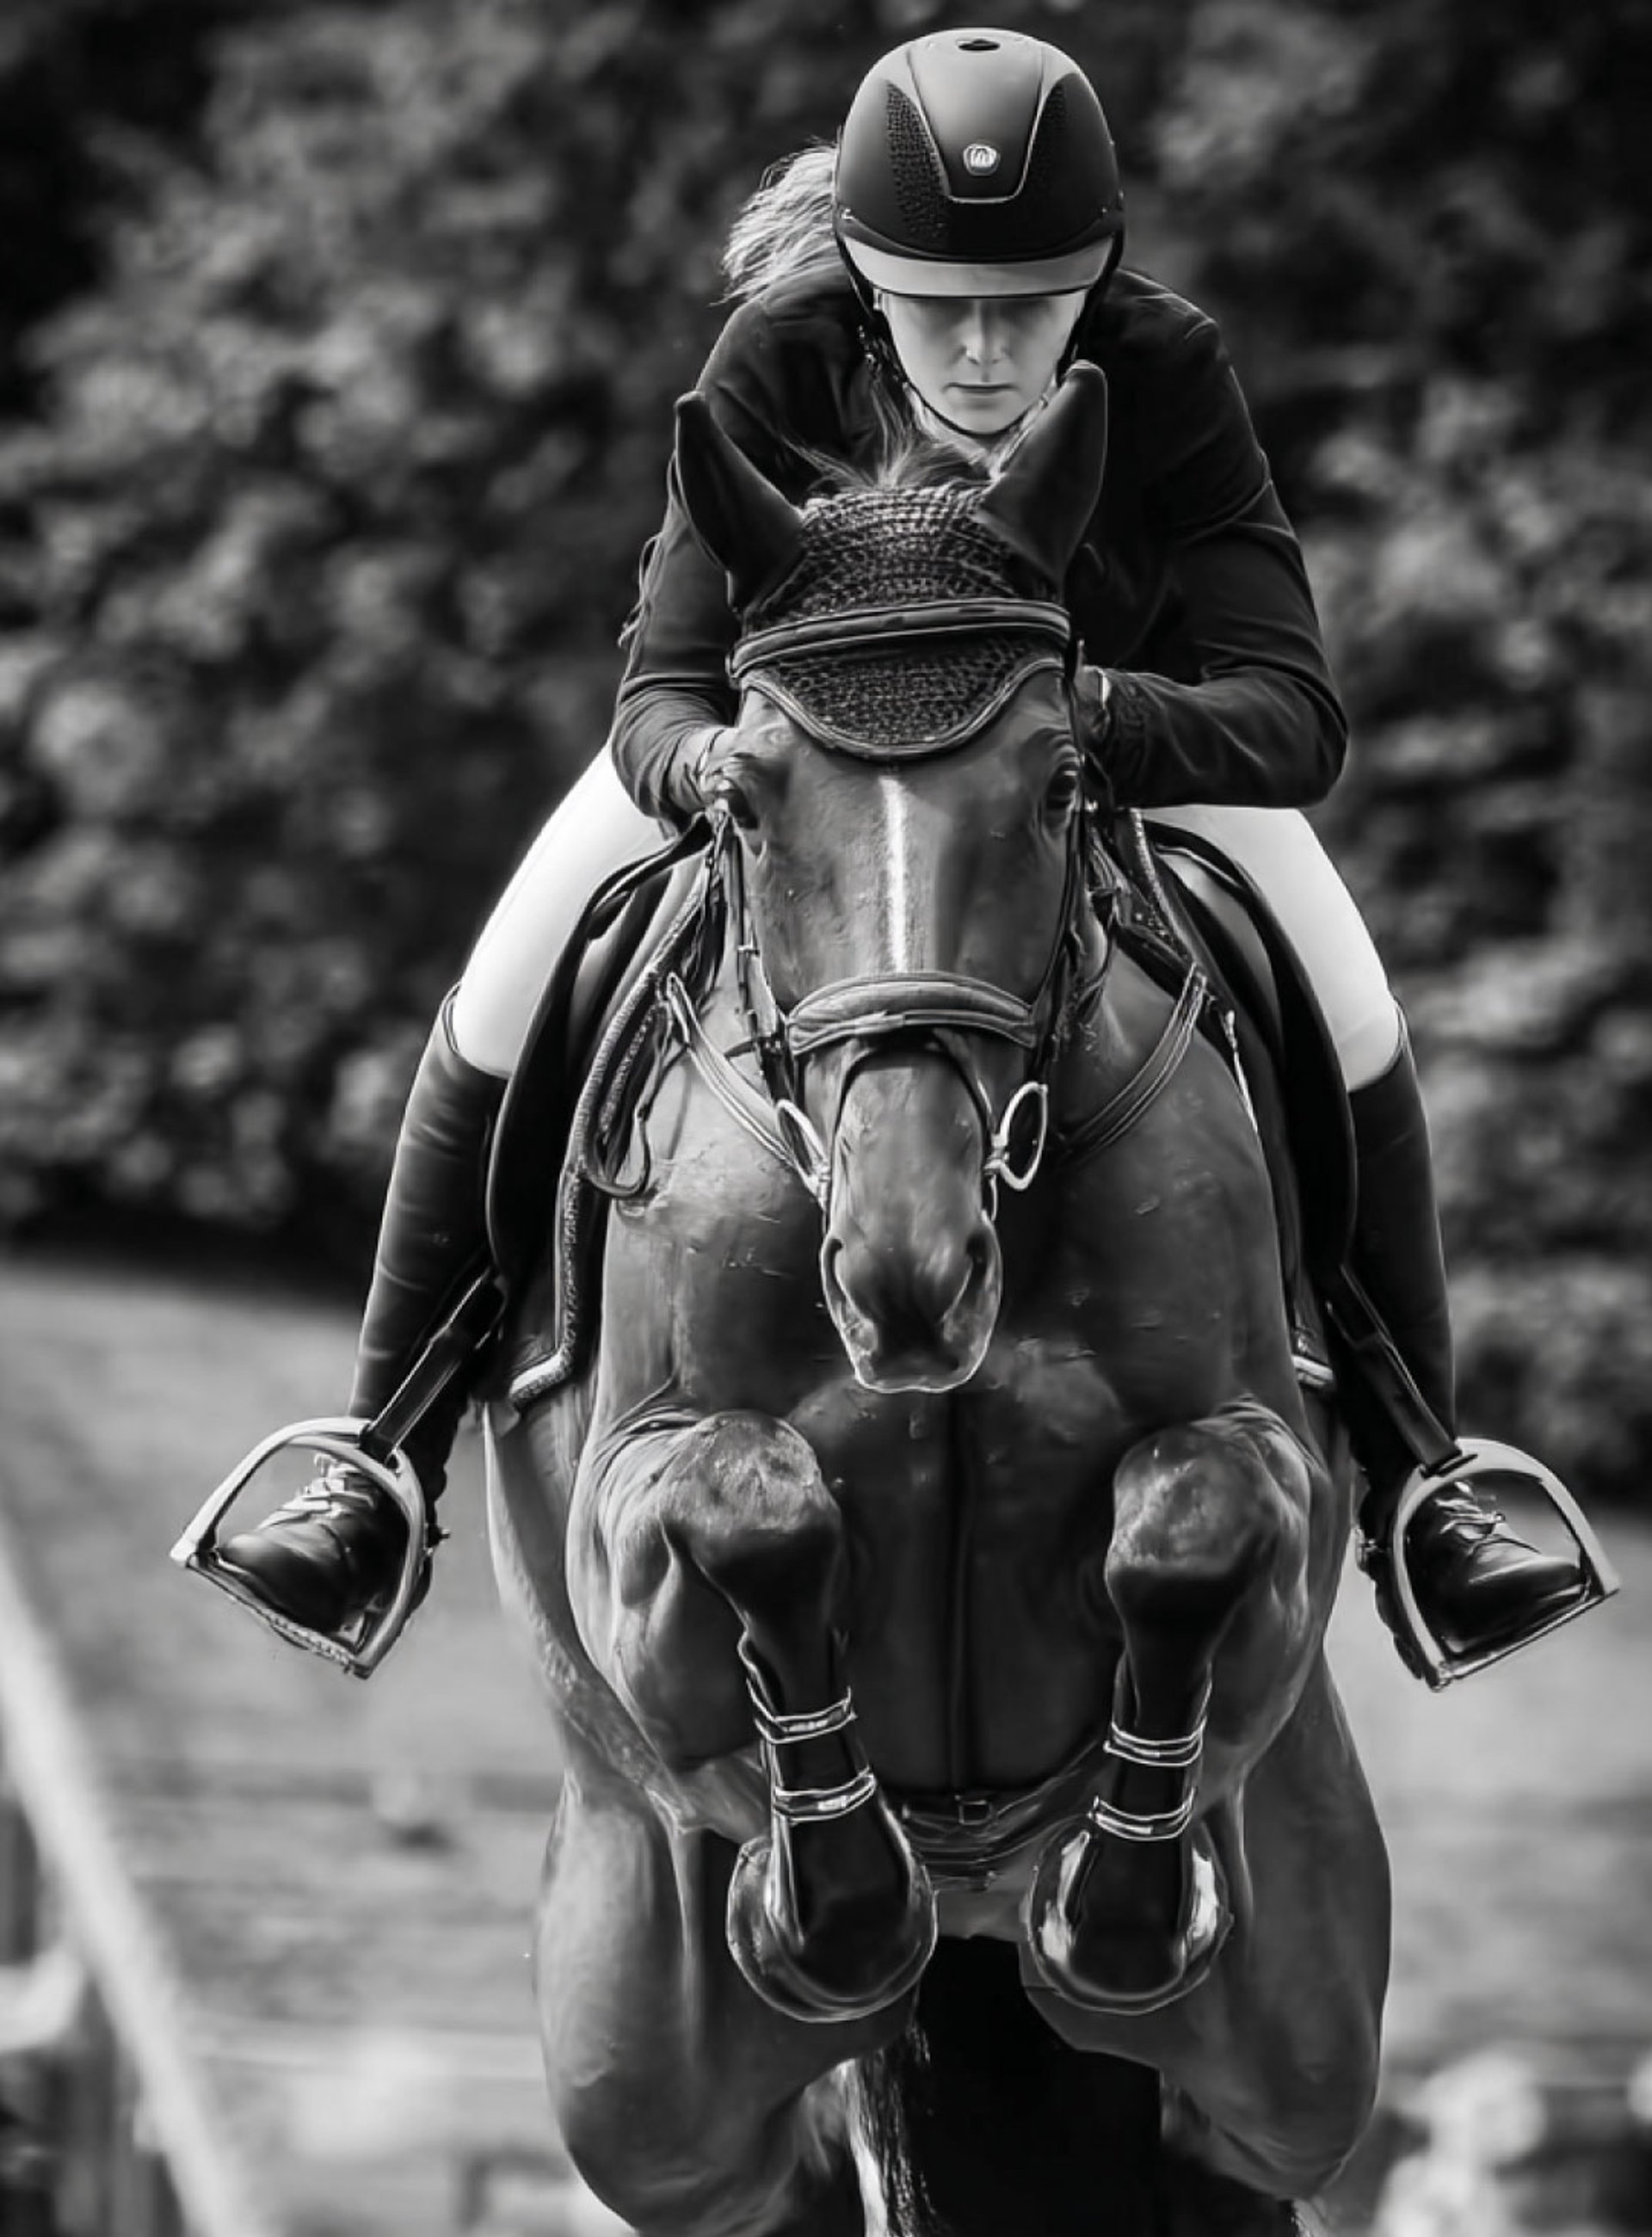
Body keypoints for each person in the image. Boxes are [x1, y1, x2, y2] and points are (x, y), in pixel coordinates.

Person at [208, 26, 1584, 1676]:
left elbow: (1294, 712)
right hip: (800, 778)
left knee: (1353, 1004)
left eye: (1035, 301)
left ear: (1103, 277)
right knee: (513, 973)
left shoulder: (1168, 368)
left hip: (1088, 763)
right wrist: (717, 764)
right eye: (941, 306)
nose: (990, 347)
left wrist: (1089, 724)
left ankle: (1423, 1487)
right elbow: (656, 685)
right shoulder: (779, 357)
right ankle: (380, 1456)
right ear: (867, 282)